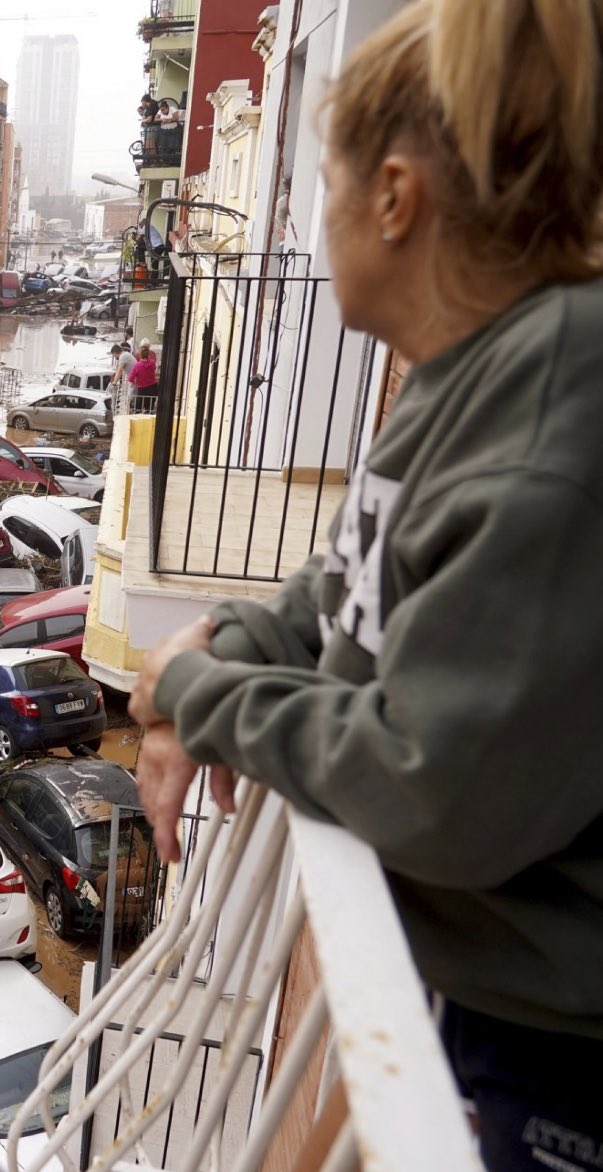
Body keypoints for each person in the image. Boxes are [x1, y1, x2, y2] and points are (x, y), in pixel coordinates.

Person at [127, 2, 603, 1167]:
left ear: (394, 198)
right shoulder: (458, 377)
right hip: (491, 1003)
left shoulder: (556, 405)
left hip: (563, 1058)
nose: (311, 213)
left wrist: (203, 695)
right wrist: (220, 654)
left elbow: (432, 784)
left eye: (322, 181)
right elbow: (332, 599)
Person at [126, 340, 157, 413]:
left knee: (137, 409)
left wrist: (136, 380)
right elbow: (154, 369)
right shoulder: (152, 363)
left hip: (141, 390)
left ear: (140, 355)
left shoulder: (137, 366)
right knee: (149, 409)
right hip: (153, 388)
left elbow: (130, 379)